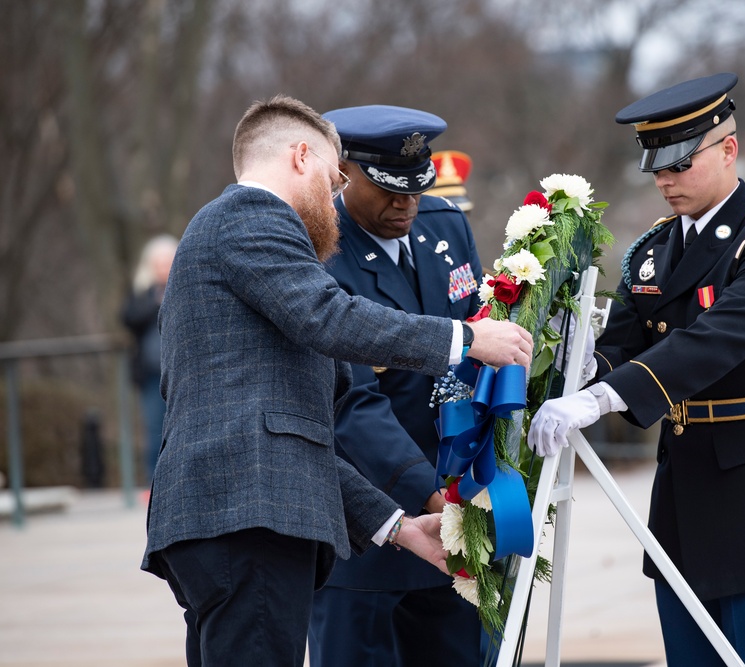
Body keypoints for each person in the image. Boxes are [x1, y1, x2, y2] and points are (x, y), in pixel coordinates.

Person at [140, 94, 533, 666]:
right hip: (245, 519)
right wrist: (468, 340)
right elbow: (331, 316)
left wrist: (399, 529)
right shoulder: (251, 217)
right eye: (332, 178)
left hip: (238, 518)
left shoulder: (246, 242)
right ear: (301, 156)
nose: (335, 196)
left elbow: (296, 436)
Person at [528, 73, 745, 666]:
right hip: (683, 489)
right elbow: (626, 338)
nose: (664, 179)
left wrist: (603, 397)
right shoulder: (655, 248)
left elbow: (713, 341)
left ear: (728, 149)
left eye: (680, 163)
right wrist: (578, 365)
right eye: (657, 167)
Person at [306, 105, 484, 667]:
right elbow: (351, 404)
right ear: (344, 173)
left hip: (455, 515)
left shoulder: (445, 225)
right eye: (388, 190)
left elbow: (476, 350)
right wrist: (434, 500)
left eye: (415, 188)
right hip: (369, 532)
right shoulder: (315, 256)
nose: (405, 205)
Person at [121, 233, 177, 482]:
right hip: (152, 374)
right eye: (159, 264)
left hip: (181, 370)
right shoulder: (142, 293)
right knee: (154, 428)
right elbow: (128, 319)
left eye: (168, 262)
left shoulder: (186, 286)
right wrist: (156, 303)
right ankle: (154, 483)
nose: (164, 269)